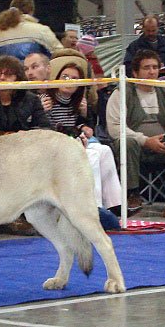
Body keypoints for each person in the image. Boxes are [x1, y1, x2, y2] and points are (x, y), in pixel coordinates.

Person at [106, 49, 165, 207]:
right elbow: (115, 128)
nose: (152, 72)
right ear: (135, 73)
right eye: (146, 68)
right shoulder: (121, 93)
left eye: (155, 67)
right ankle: (132, 194)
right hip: (137, 148)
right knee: (127, 142)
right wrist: (145, 141)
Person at [37, 60, 131, 216]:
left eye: (75, 78)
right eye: (65, 77)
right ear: (57, 78)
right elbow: (43, 127)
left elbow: (81, 126)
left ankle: (116, 205)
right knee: (91, 155)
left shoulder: (78, 102)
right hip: (51, 147)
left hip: (71, 142)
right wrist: (42, 110)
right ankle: (94, 208)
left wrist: (84, 120)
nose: (69, 81)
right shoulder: (45, 99)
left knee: (105, 150)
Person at [0, 55, 51, 239]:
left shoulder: (31, 100)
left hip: (22, 150)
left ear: (18, 78)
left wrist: (25, 136)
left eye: (8, 74)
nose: (1, 78)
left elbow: (45, 127)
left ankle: (15, 217)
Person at [0, 0, 62, 68]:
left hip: (4, 80)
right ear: (31, 11)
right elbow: (60, 55)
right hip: (34, 81)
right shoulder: (42, 30)